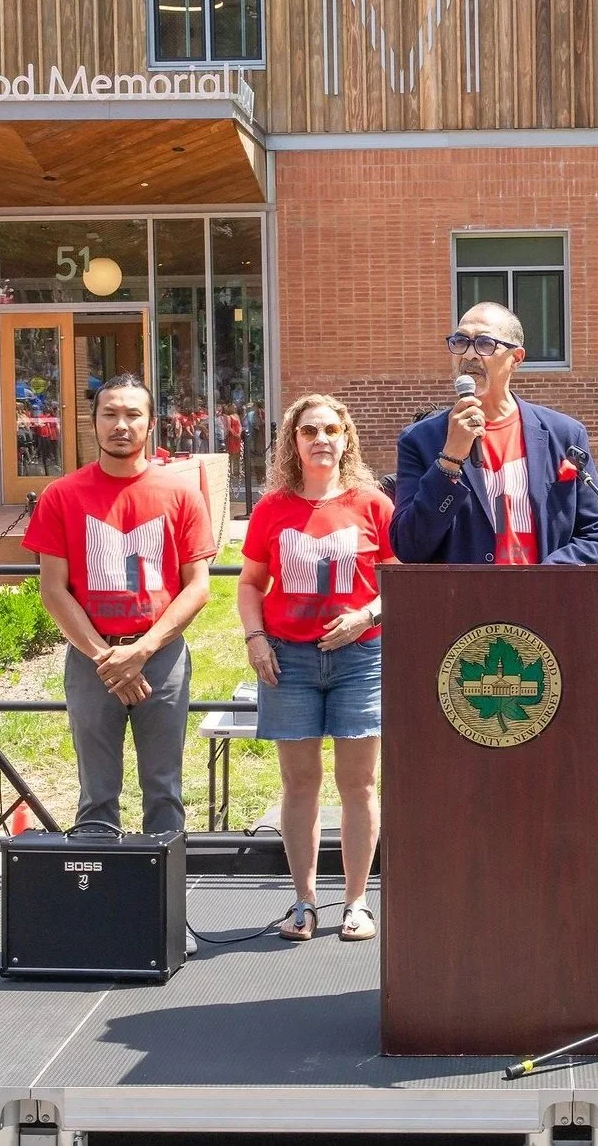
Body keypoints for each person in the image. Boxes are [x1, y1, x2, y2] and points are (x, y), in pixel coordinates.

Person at [25, 373, 214, 842]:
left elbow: (198, 588)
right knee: (96, 794)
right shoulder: (61, 495)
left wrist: (141, 652)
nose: (121, 424)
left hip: (161, 658)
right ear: (93, 423)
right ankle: (98, 901)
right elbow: (53, 589)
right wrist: (107, 660)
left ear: (152, 425)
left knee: (165, 789)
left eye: (133, 414)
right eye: (109, 413)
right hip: (93, 659)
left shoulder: (181, 493)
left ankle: (165, 906)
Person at [238, 394, 396, 942]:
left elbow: (400, 582)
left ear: (346, 437)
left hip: (361, 657)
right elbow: (250, 584)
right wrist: (256, 639)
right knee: (299, 784)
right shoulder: (272, 508)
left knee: (359, 783)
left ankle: (356, 902)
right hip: (289, 659)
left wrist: (366, 615)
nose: (322, 439)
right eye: (310, 431)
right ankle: (303, 901)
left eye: (332, 429)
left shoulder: (373, 504)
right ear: (294, 441)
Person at [390, 303, 598, 566]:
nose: (470, 354)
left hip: (544, 601)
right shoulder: (420, 440)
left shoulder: (564, 435)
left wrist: (544, 579)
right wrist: (449, 460)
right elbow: (409, 546)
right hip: (462, 602)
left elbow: (596, 536)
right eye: (461, 341)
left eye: (485, 343)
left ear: (516, 358)